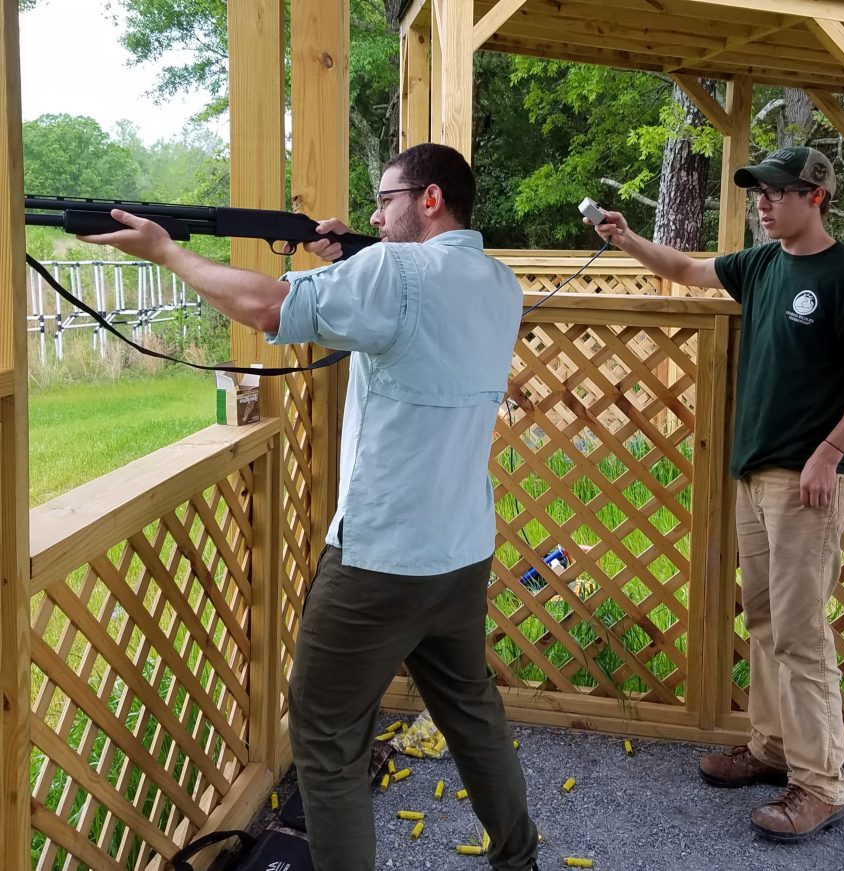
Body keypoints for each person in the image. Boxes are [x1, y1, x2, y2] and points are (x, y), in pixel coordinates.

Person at [80, 143, 540, 871]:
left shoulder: (394, 269)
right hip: (460, 550)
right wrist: (345, 265)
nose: (373, 215)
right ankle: (520, 858)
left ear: (429, 200)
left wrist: (166, 252)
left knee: (324, 736)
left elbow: (267, 305)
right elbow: (411, 331)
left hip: (380, 558)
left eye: (385, 200)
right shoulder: (498, 283)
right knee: (473, 714)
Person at [586, 146, 844, 842]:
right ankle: (771, 748)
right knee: (762, 620)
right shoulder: (761, 264)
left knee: (801, 633)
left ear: (814, 197)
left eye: (777, 192)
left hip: (808, 482)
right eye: (758, 191)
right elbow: (690, 271)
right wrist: (629, 238)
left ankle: (820, 784)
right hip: (754, 474)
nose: (763, 202)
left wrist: (828, 452)